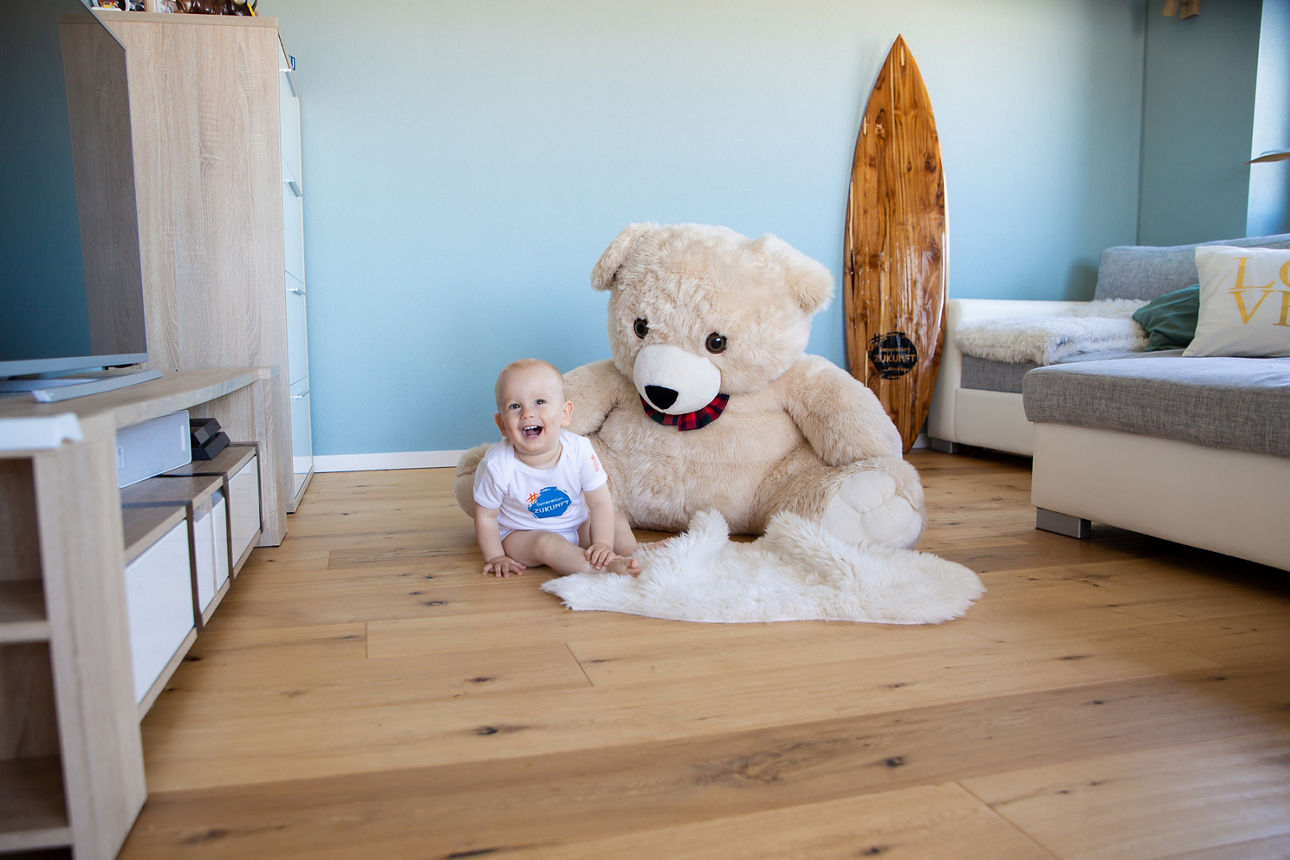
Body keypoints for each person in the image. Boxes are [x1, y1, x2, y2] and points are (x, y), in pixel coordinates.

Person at [473, 358, 640, 578]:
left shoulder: (579, 449)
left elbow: (599, 502)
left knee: (615, 520)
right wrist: (495, 556)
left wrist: (602, 544)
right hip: (523, 535)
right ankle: (605, 568)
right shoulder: (497, 465)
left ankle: (634, 555)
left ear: (565, 414)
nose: (527, 414)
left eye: (539, 402)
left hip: (575, 525)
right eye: (515, 406)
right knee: (548, 543)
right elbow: (485, 517)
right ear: (502, 425)